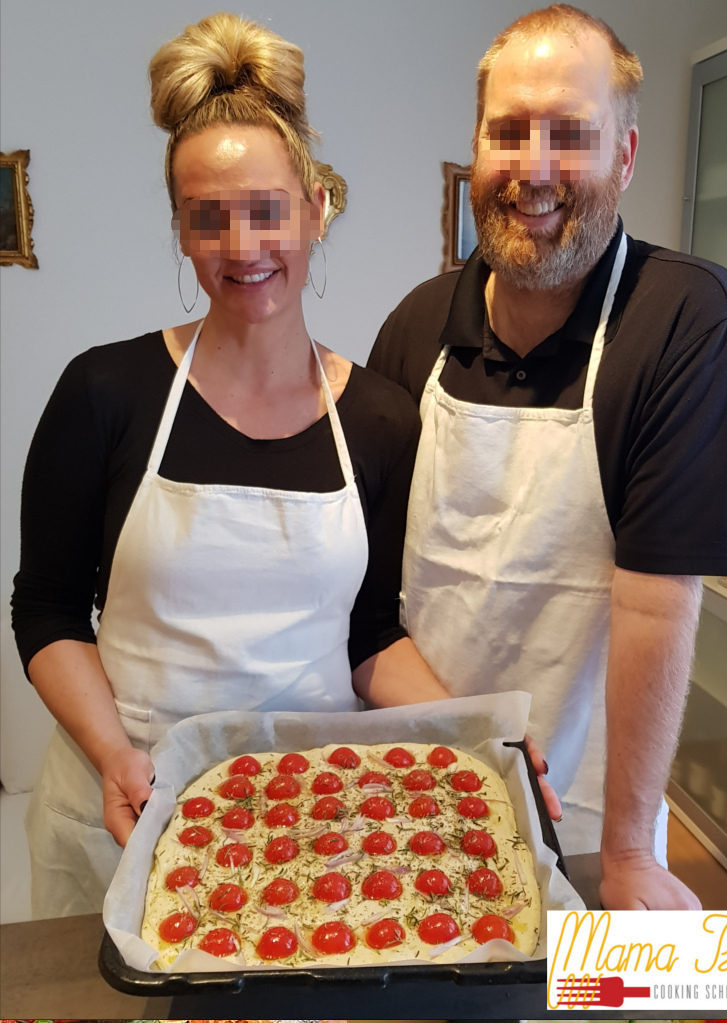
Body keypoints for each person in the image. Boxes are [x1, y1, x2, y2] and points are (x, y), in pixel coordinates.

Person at [12, 12, 450, 918]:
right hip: (123, 803)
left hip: (310, 816)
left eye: (266, 212)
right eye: (209, 219)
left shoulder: (378, 418)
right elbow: (47, 608)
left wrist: (470, 736)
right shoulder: (105, 391)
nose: (242, 248)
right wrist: (110, 753)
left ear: (315, 208)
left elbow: (371, 635)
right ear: (179, 228)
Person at [368, 4, 727, 909]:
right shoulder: (414, 325)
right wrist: (458, 748)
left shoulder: (690, 322)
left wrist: (629, 851)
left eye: (570, 135)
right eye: (507, 132)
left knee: (590, 1001)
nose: (533, 169)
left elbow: (654, 604)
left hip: (591, 813)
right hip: (416, 774)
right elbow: (370, 598)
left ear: (624, 158)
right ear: (475, 146)